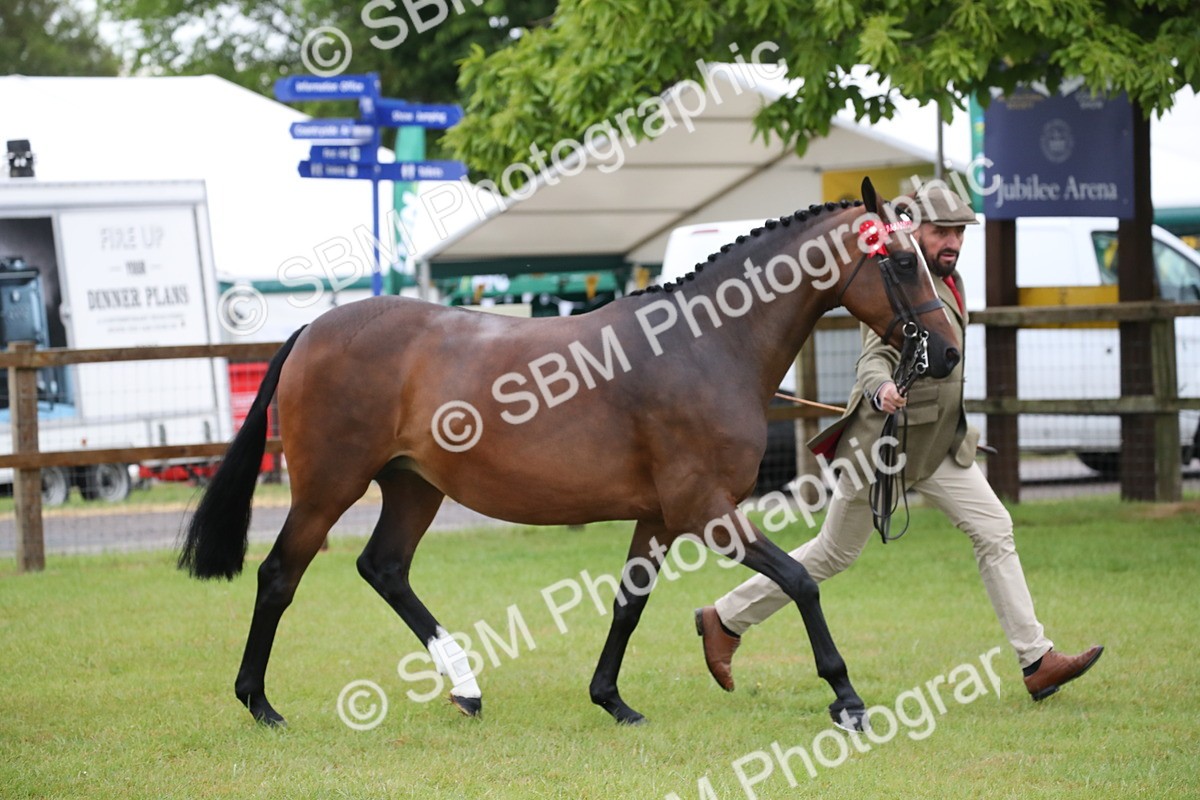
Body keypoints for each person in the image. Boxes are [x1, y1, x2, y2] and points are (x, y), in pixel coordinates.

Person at [695, 180, 1103, 702]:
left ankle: (1036, 660)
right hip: (880, 451)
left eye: (959, 231)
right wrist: (882, 387)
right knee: (832, 554)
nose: (952, 241)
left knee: (995, 529)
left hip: (938, 448)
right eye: (941, 231)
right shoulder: (897, 281)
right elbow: (873, 357)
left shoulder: (949, 283)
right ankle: (724, 618)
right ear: (915, 231)